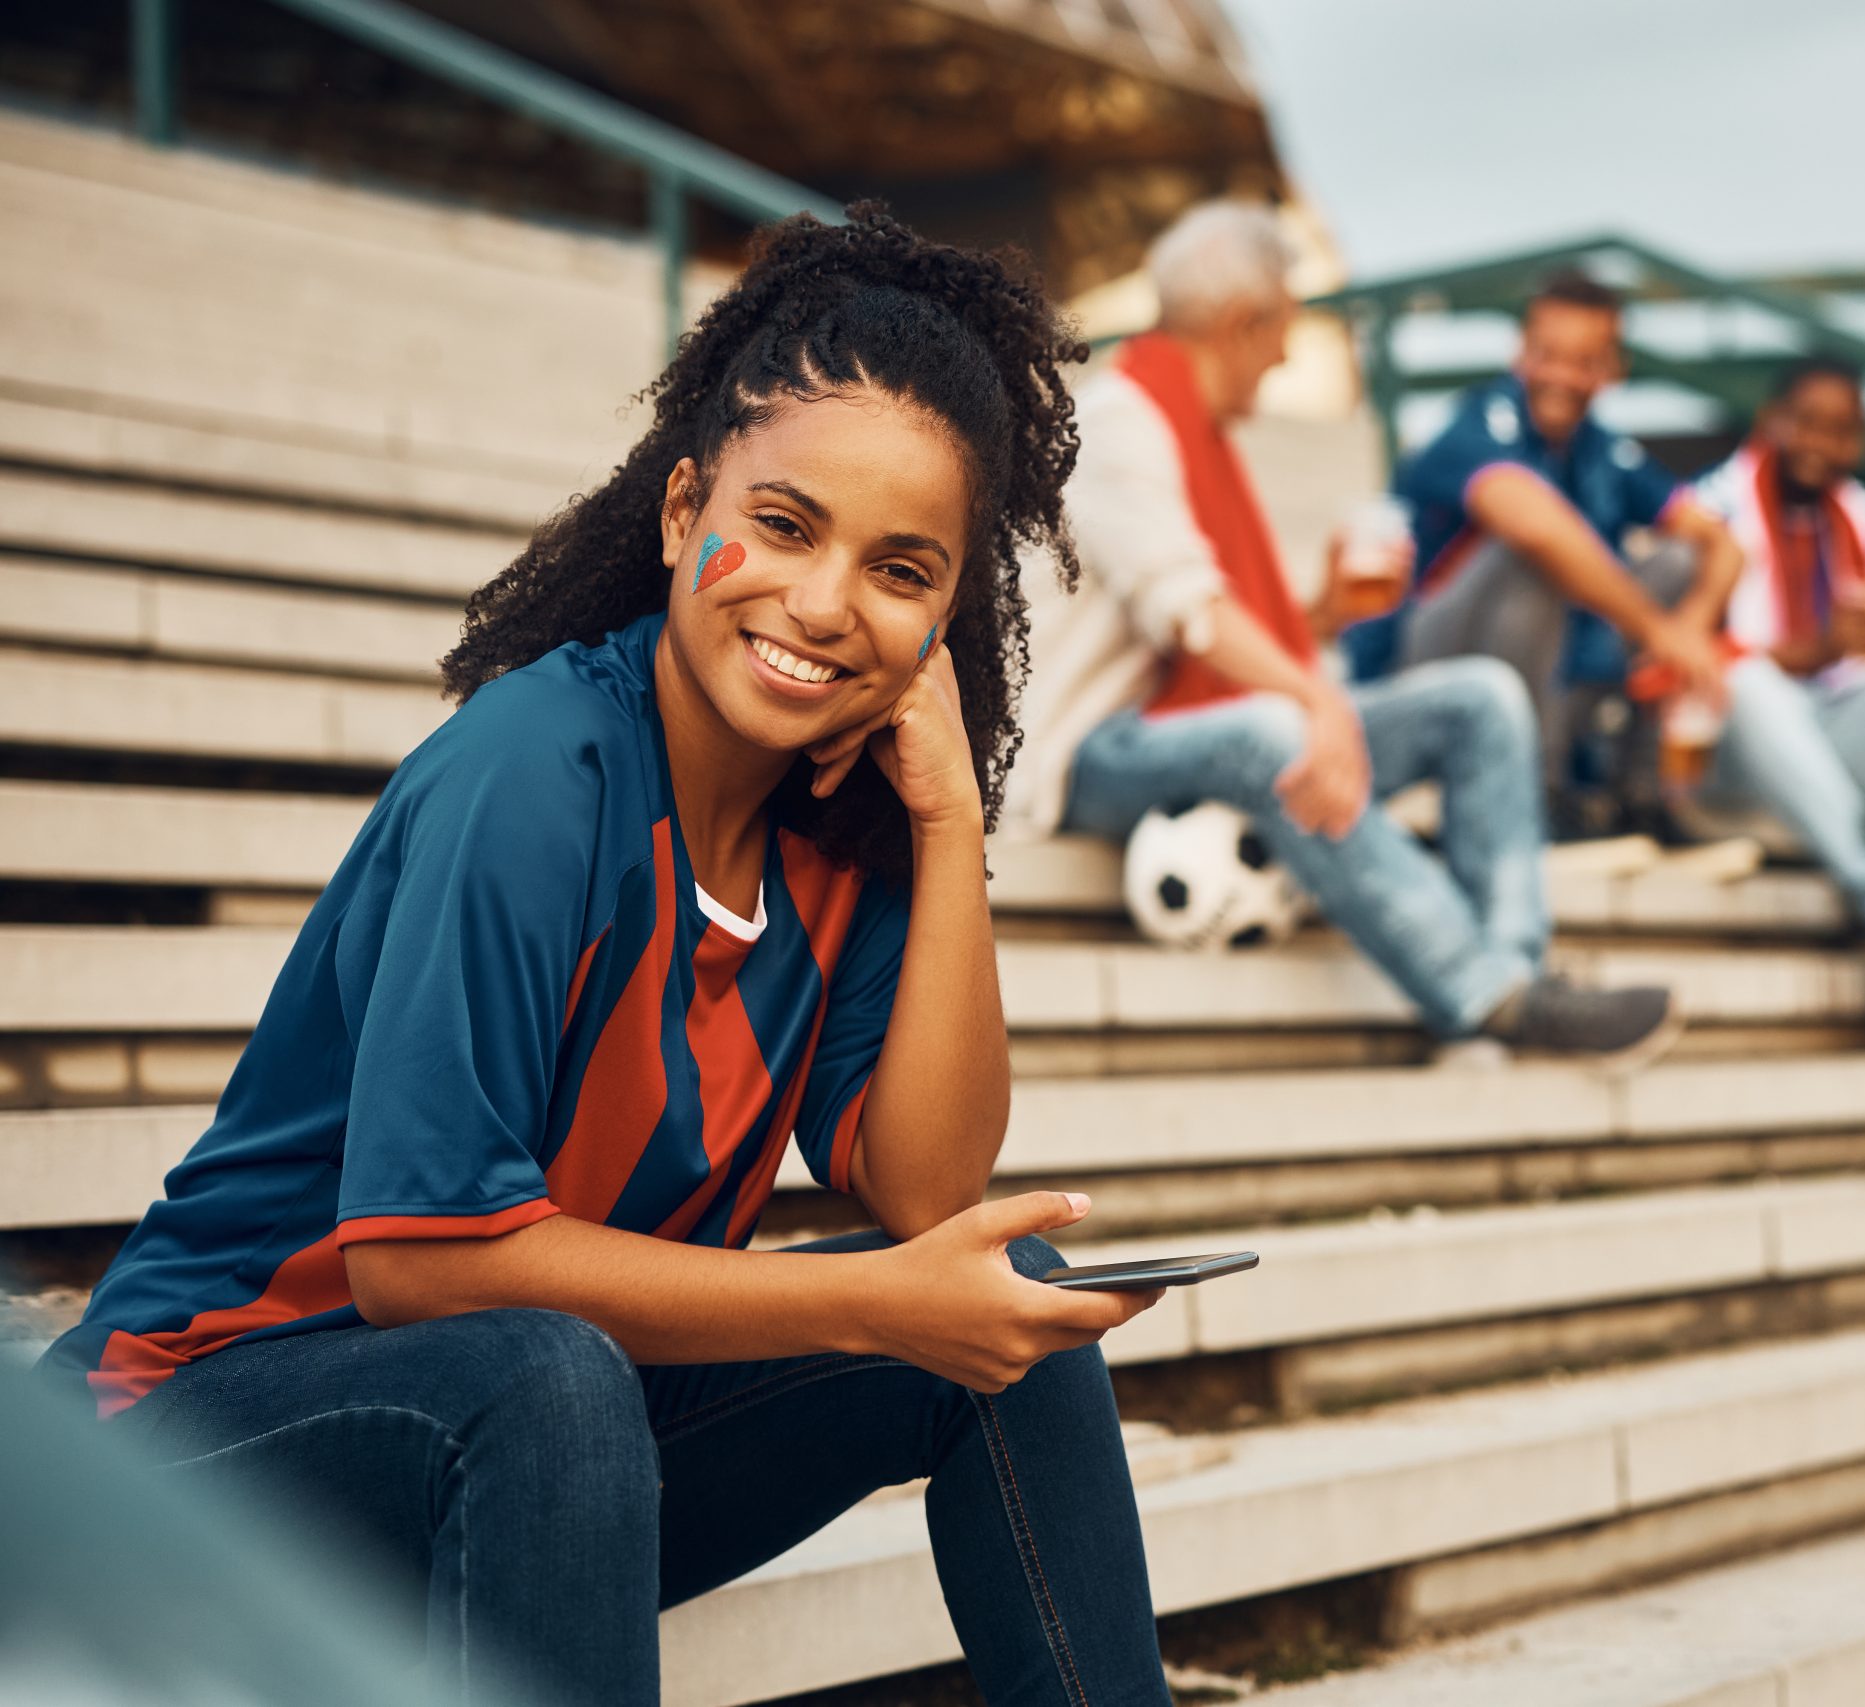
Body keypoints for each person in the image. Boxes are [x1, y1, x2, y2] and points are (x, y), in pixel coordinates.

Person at [41, 207, 1178, 1707]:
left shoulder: (846, 836)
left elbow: (925, 1191)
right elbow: (417, 1262)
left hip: (526, 1466)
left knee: (1011, 1314)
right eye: (782, 525)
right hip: (181, 1463)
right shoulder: (534, 765)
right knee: (549, 1366)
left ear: (950, 615)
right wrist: (869, 1301)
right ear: (680, 510)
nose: (826, 602)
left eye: (902, 571)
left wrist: (955, 814)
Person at [1013, 202, 1680, 1062]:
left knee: (1483, 699)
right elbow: (1187, 610)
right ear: (1244, 323)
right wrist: (1314, 695)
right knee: (1278, 728)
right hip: (1090, 756)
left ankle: (1520, 967)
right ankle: (1490, 997)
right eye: (1283, 327)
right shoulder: (1116, 423)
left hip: (1192, 726)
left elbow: (1213, 623)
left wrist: (1323, 615)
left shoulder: (1199, 432)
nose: (1286, 353)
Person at [1338, 270, 1747, 839]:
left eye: (1583, 360)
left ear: (1612, 369)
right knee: (1537, 559)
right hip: (1420, 669)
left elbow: (1723, 544)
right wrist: (1657, 629)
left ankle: (1639, 796)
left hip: (1557, 670)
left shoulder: (1602, 449)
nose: (1560, 375)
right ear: (1521, 353)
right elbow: (1534, 526)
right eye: (1546, 354)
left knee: (1680, 562)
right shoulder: (1477, 422)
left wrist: (1690, 626)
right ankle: (1530, 790)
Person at [1684, 354, 1865, 931]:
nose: (1820, 442)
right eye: (1805, 421)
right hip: (1731, 753)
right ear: (1770, 419)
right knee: (1743, 682)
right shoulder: (1708, 507)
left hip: (1836, 727)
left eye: (1841, 430)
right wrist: (1827, 647)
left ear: (1860, 442)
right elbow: (1696, 663)